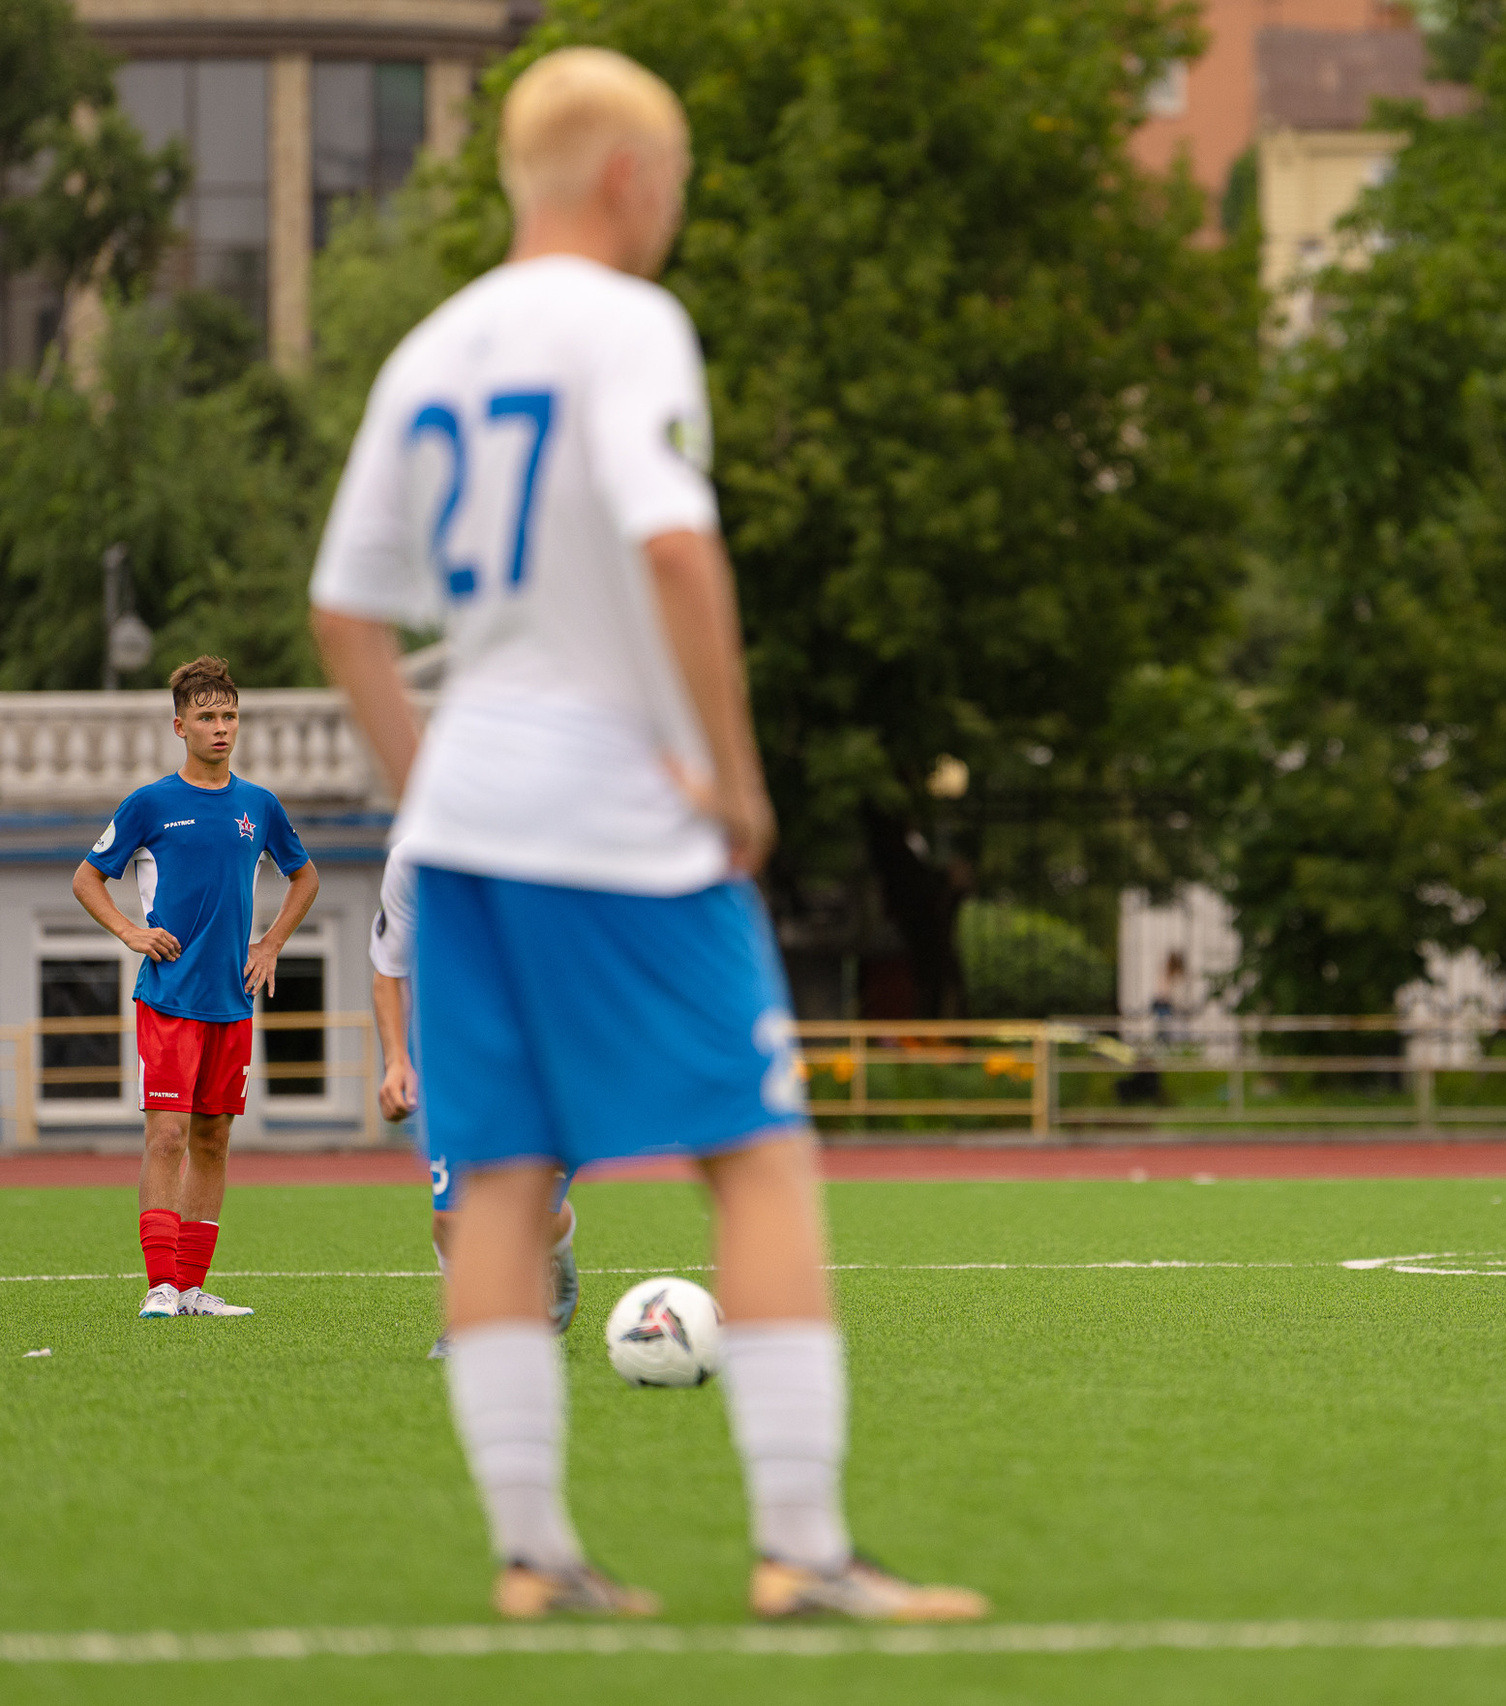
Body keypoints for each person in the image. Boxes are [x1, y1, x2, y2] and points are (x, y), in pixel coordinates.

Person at [308, 47, 985, 1623]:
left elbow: (346, 612)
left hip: (467, 832)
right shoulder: (629, 324)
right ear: (628, 177)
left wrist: (430, 780)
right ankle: (804, 1547)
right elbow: (677, 550)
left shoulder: (429, 348)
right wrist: (732, 779)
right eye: (673, 180)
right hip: (617, 814)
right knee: (758, 1155)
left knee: (496, 1178)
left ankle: (533, 1555)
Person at [73, 655, 319, 1321]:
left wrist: (270, 944)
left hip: (231, 1002)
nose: (221, 727)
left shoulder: (259, 806)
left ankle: (190, 1289)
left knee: (213, 1141)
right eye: (207, 717)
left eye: (229, 715)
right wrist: (130, 932)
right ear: (180, 726)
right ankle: (159, 1286)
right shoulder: (150, 803)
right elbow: (87, 878)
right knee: (167, 1137)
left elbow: (305, 877)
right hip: (169, 1000)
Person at [368, 838, 580, 1359]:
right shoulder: (413, 857)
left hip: (552, 1053)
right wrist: (396, 1061)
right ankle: (471, 1323)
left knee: (528, 1205)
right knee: (451, 1218)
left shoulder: (557, 845)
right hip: (454, 1058)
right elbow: (389, 970)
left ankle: (556, 1246)